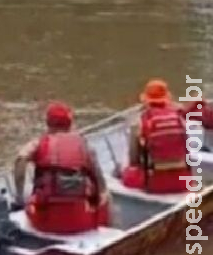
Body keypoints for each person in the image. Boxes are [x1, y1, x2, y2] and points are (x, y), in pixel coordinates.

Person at [12, 101, 110, 234]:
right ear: (70, 123)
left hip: (46, 223)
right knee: (107, 195)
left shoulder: (39, 144)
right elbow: (101, 188)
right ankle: (105, 232)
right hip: (80, 222)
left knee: (31, 200)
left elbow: (20, 160)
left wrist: (19, 197)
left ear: (48, 123)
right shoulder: (84, 146)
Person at [122, 79, 189, 193]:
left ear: (146, 100)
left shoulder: (141, 122)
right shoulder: (180, 118)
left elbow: (134, 160)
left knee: (123, 172)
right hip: (184, 182)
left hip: (155, 184)